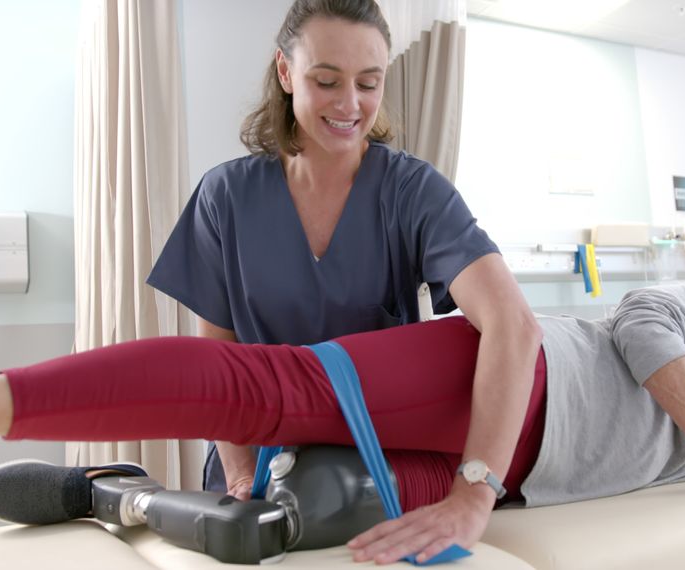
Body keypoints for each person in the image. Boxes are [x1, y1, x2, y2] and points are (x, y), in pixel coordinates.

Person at [0, 285, 685, 564]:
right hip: (511, 382)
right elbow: (644, 346)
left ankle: (105, 490)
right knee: (260, 391)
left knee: (278, 521)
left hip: (506, 485)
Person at [143, 0, 542, 533]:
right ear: (286, 72)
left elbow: (513, 326)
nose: (350, 104)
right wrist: (239, 477)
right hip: (253, 468)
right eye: (327, 80)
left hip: (374, 472)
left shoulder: (413, 192)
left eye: (368, 83)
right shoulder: (226, 196)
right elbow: (219, 357)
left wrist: (474, 494)